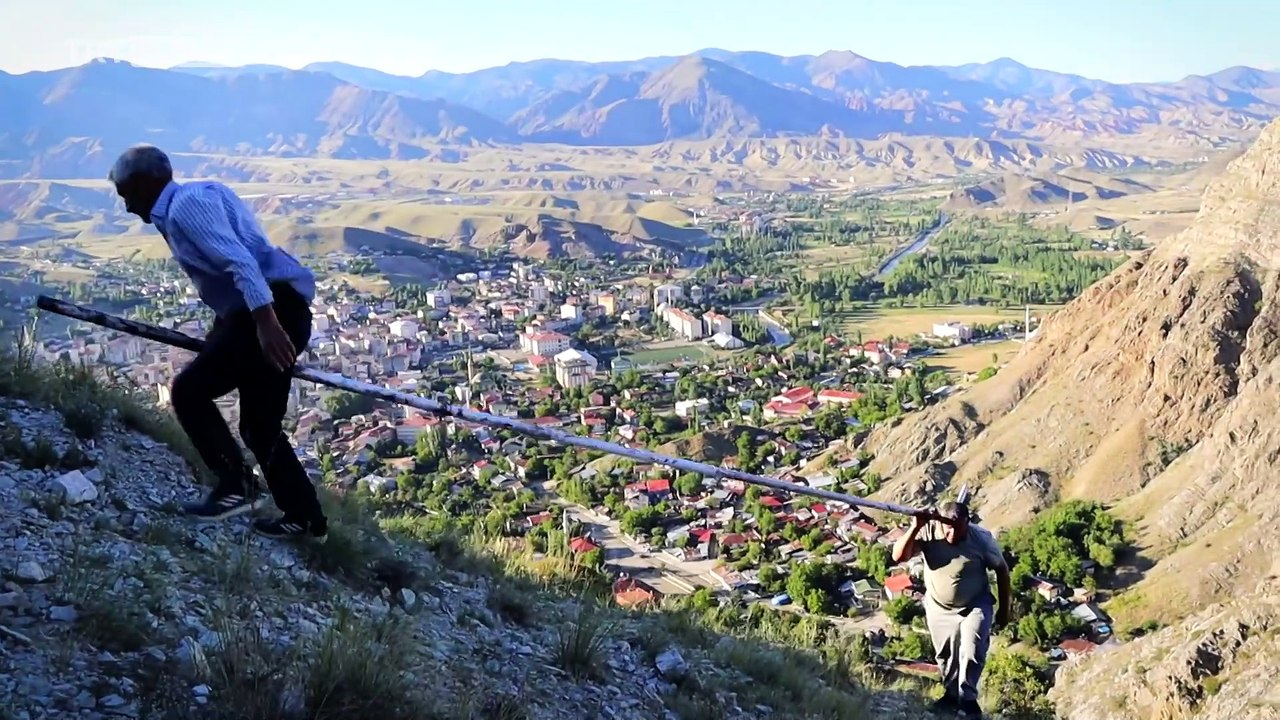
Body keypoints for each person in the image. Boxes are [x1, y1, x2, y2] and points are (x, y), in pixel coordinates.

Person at [108, 144, 328, 542]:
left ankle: (236, 486)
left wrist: (266, 324)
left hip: (267, 309)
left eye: (127, 195)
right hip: (272, 311)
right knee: (261, 426)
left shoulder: (183, 208)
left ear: (145, 184)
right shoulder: (205, 191)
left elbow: (241, 263)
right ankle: (306, 519)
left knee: (189, 392)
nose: (127, 208)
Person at [891, 500, 1012, 718]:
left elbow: (1002, 571)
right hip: (939, 607)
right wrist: (915, 526)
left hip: (975, 604)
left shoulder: (981, 540)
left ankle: (968, 700)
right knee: (945, 655)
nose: (953, 534)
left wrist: (1005, 609)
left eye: (959, 528)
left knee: (972, 649)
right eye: (948, 528)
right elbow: (899, 556)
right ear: (940, 523)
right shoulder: (929, 531)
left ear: (968, 522)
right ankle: (950, 694)